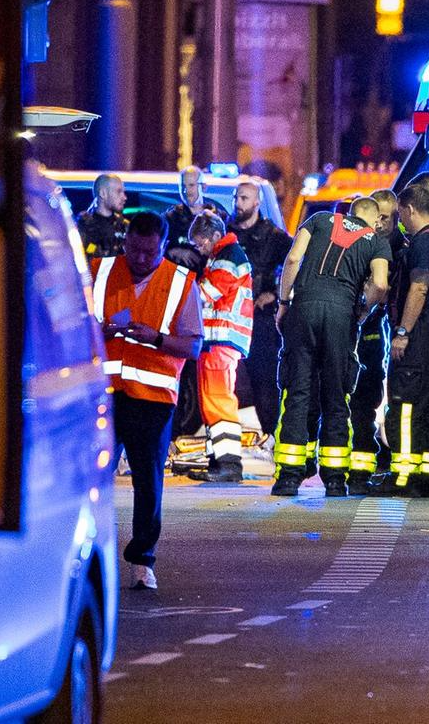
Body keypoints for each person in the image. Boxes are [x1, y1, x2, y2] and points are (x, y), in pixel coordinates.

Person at [88, 212, 202, 589]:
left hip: (153, 398)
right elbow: (71, 323)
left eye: (148, 253)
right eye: (133, 249)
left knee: (148, 482)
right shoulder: (100, 271)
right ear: (125, 241)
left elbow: (193, 346)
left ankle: (142, 561)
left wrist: (156, 338)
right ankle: (89, 552)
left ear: (162, 247)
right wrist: (100, 331)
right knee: (92, 478)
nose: (139, 259)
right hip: (103, 393)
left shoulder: (181, 282)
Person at [271, 196, 390, 497]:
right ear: (375, 219)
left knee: (297, 392)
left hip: (303, 310)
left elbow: (293, 259)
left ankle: (288, 477)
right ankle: (335, 480)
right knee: (337, 396)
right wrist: (362, 312)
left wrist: (284, 303)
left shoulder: (319, 220)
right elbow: (380, 284)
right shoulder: (376, 241)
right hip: (341, 316)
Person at [376, 184, 429, 496]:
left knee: (404, 407)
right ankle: (428, 479)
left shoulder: (422, 244)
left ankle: (403, 476)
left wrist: (403, 333)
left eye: (399, 215)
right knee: (426, 408)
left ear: (408, 209)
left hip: (418, 335)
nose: (400, 222)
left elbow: (418, 288)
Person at [188, 213, 251, 483]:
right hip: (216, 340)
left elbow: (206, 293)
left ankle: (228, 464)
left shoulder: (228, 257)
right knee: (211, 401)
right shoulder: (221, 256)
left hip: (221, 339)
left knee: (218, 400)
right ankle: (218, 461)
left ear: (215, 235)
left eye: (201, 242)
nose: (199, 249)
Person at [229, 179, 293, 439]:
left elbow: (296, 266)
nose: (238, 203)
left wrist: (276, 294)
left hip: (260, 322)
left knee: (265, 384)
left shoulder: (273, 236)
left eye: (244, 198)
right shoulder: (226, 232)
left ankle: (272, 436)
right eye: (236, 197)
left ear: (257, 202)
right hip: (229, 320)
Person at [348, 189, 401, 493]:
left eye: (385, 217)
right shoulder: (363, 243)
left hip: (388, 333)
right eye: (376, 216)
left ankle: (385, 458)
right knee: (361, 400)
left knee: (388, 398)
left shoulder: (400, 248)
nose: (379, 223)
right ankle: (361, 467)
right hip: (366, 332)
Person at [165, 164, 229, 248]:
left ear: (203, 187)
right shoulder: (170, 218)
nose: (186, 191)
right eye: (183, 186)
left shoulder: (220, 217)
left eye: (191, 185)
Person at [76, 173, 128, 260]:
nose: (124, 197)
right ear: (103, 193)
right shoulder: (84, 227)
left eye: (123, 192)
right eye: (118, 192)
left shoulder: (123, 226)